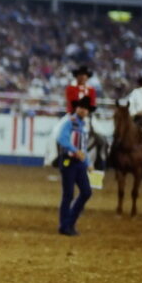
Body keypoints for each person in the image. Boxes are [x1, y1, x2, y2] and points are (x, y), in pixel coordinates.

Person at [56, 96, 96, 236]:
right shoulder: (70, 122)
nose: (83, 110)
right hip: (69, 161)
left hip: (78, 163)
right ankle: (65, 225)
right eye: (81, 107)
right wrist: (75, 151)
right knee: (69, 194)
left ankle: (69, 222)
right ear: (77, 108)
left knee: (86, 192)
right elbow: (61, 139)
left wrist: (88, 163)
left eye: (86, 108)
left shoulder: (83, 125)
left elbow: (83, 148)